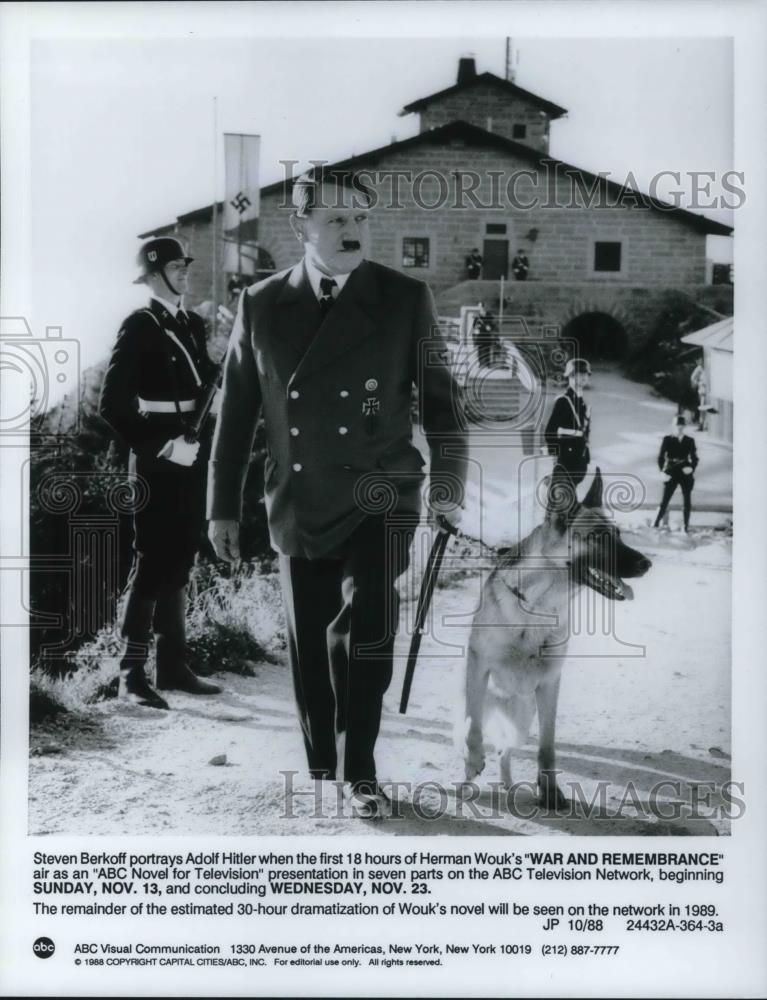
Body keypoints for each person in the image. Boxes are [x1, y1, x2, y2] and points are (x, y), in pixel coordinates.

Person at [207, 167, 468, 818]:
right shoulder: (261, 304)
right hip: (300, 495)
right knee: (311, 637)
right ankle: (325, 756)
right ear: (301, 226)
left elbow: (442, 405)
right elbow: (236, 415)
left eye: (361, 219)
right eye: (336, 220)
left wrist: (447, 487)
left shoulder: (404, 298)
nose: (352, 231)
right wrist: (219, 508)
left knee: (367, 629)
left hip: (384, 490)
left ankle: (360, 770)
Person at [100, 237, 223, 710]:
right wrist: (157, 446)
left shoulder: (191, 323)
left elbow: (205, 379)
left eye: (185, 264)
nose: (185, 271)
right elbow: (111, 404)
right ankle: (131, 673)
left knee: (183, 551)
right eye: (176, 266)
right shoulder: (140, 325)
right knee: (151, 557)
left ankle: (173, 665)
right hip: (156, 455)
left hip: (192, 451)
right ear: (153, 275)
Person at [544, 357, 592, 486]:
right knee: (563, 494)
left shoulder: (582, 403)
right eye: (579, 374)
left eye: (585, 374)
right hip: (566, 455)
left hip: (579, 456)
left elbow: (585, 433)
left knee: (571, 492)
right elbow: (550, 431)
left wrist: (585, 455)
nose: (583, 377)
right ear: (570, 376)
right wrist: (555, 456)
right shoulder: (563, 401)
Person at [653, 415, 698, 532]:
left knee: (687, 500)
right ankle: (656, 523)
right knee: (665, 500)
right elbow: (660, 457)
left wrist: (691, 468)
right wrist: (662, 472)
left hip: (684, 472)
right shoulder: (667, 439)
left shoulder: (689, 441)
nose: (679, 428)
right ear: (673, 426)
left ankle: (685, 526)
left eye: (681, 426)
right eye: (677, 425)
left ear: (684, 427)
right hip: (671, 471)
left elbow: (694, 458)